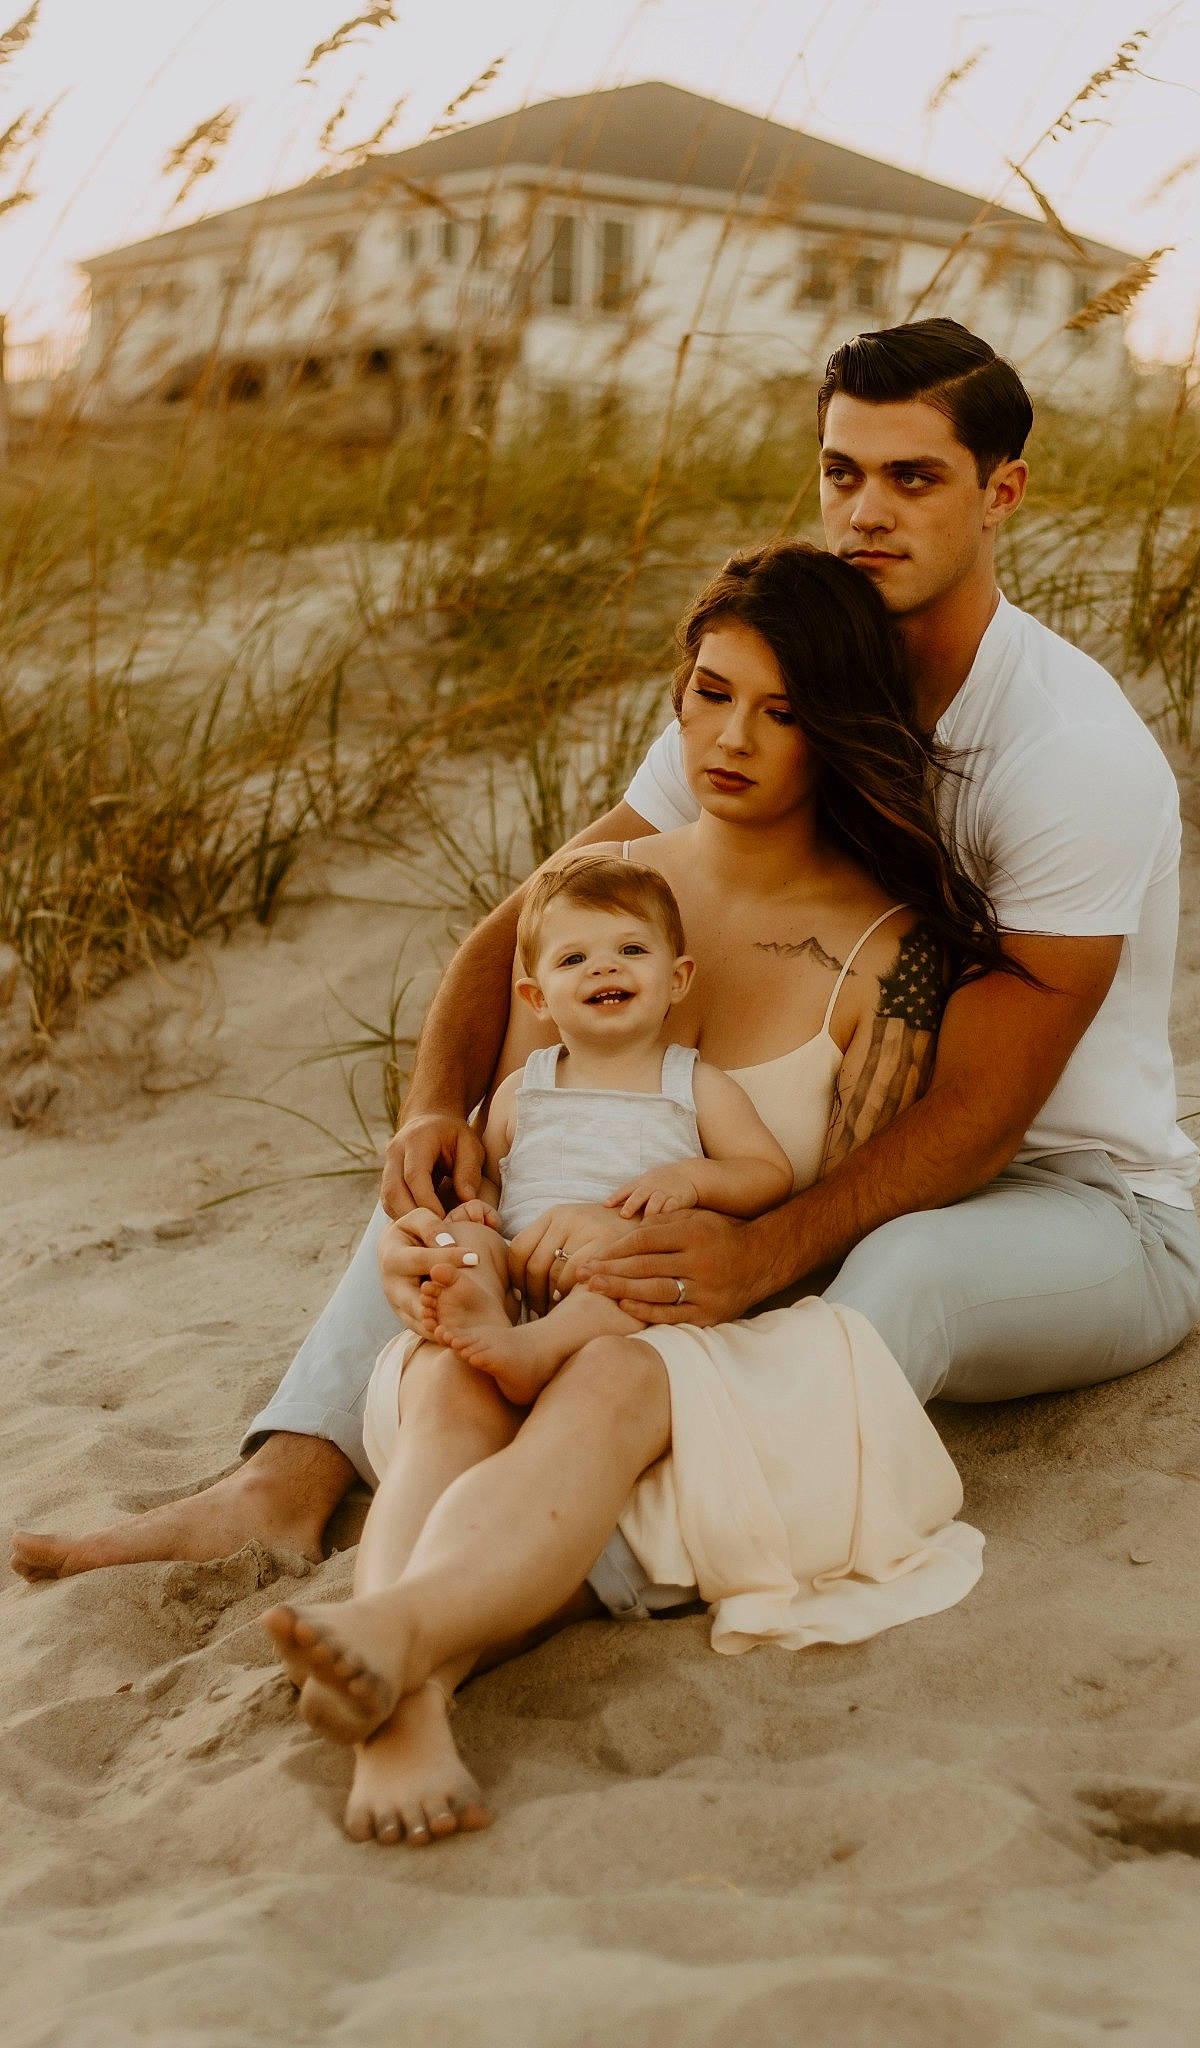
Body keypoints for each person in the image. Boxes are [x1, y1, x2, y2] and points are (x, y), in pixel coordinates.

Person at [10, 316, 1200, 1601]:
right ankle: (285, 1481)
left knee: (891, 1267)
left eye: (913, 478)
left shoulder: (1066, 753)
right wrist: (432, 1110)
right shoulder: (779, 681)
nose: (867, 511)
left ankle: (582, 1554)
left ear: (1001, 492)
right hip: (853, 1149)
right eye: (842, 471)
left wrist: (761, 1249)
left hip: (1066, 1203)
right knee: (513, 1148)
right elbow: (536, 913)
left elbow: (982, 1116)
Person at [262, 541, 995, 1843]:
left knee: (596, 1383)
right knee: (443, 1379)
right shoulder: (599, 897)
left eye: (783, 712)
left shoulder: (899, 956)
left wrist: (666, 1224)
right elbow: (504, 1134)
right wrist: (447, 1236)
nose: (732, 738)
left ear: (842, 730)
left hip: (712, 1330)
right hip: (521, 1310)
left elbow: (850, 1213)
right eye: (710, 693)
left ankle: (403, 1659)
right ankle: (404, 1703)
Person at [377, 852, 794, 1409]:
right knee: (467, 1245)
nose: (605, 968)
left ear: (676, 978)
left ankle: (536, 1348)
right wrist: (478, 1208)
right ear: (538, 998)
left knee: (628, 1276)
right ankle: (480, 1313)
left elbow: (768, 1173)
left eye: (632, 949)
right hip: (522, 1263)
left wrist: (691, 1179)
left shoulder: (692, 1083)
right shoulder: (522, 1088)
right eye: (574, 958)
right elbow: (495, 1179)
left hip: (617, 1270)